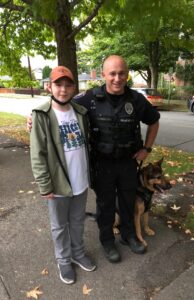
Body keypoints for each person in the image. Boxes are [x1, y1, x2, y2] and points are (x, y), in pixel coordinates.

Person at [75, 55, 160, 263]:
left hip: (128, 163)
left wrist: (147, 149)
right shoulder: (89, 98)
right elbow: (62, 103)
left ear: (127, 74)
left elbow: (154, 121)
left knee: (127, 201)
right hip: (102, 164)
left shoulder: (137, 100)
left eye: (121, 73)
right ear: (103, 74)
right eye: (112, 73)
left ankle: (128, 235)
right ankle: (107, 241)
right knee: (105, 205)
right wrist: (37, 116)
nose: (117, 78)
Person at [30, 66, 96, 285]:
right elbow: (37, 153)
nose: (63, 89)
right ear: (50, 86)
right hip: (58, 184)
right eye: (58, 84)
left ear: (74, 88)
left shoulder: (80, 112)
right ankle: (63, 259)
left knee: (77, 221)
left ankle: (77, 253)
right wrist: (44, 185)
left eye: (68, 85)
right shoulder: (41, 115)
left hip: (80, 180)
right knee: (59, 225)